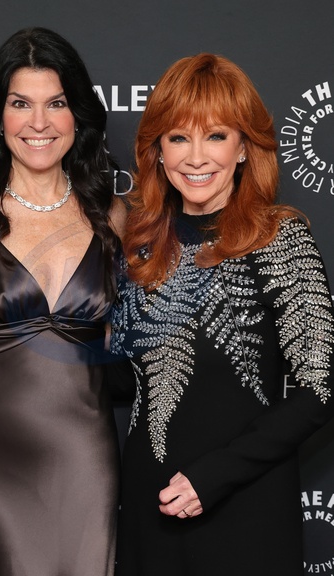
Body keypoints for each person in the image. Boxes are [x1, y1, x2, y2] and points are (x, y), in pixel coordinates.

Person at [110, 53, 334, 576]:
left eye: (215, 136)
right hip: (148, 511)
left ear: (244, 147)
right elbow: (125, 380)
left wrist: (213, 477)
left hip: (245, 510)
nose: (195, 157)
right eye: (178, 137)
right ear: (158, 151)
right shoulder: (141, 247)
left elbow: (320, 388)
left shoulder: (279, 239)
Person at [0, 27, 125, 576]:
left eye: (56, 103)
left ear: (78, 114)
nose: (39, 123)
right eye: (20, 104)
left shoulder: (113, 217)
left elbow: (128, 343)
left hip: (85, 463)